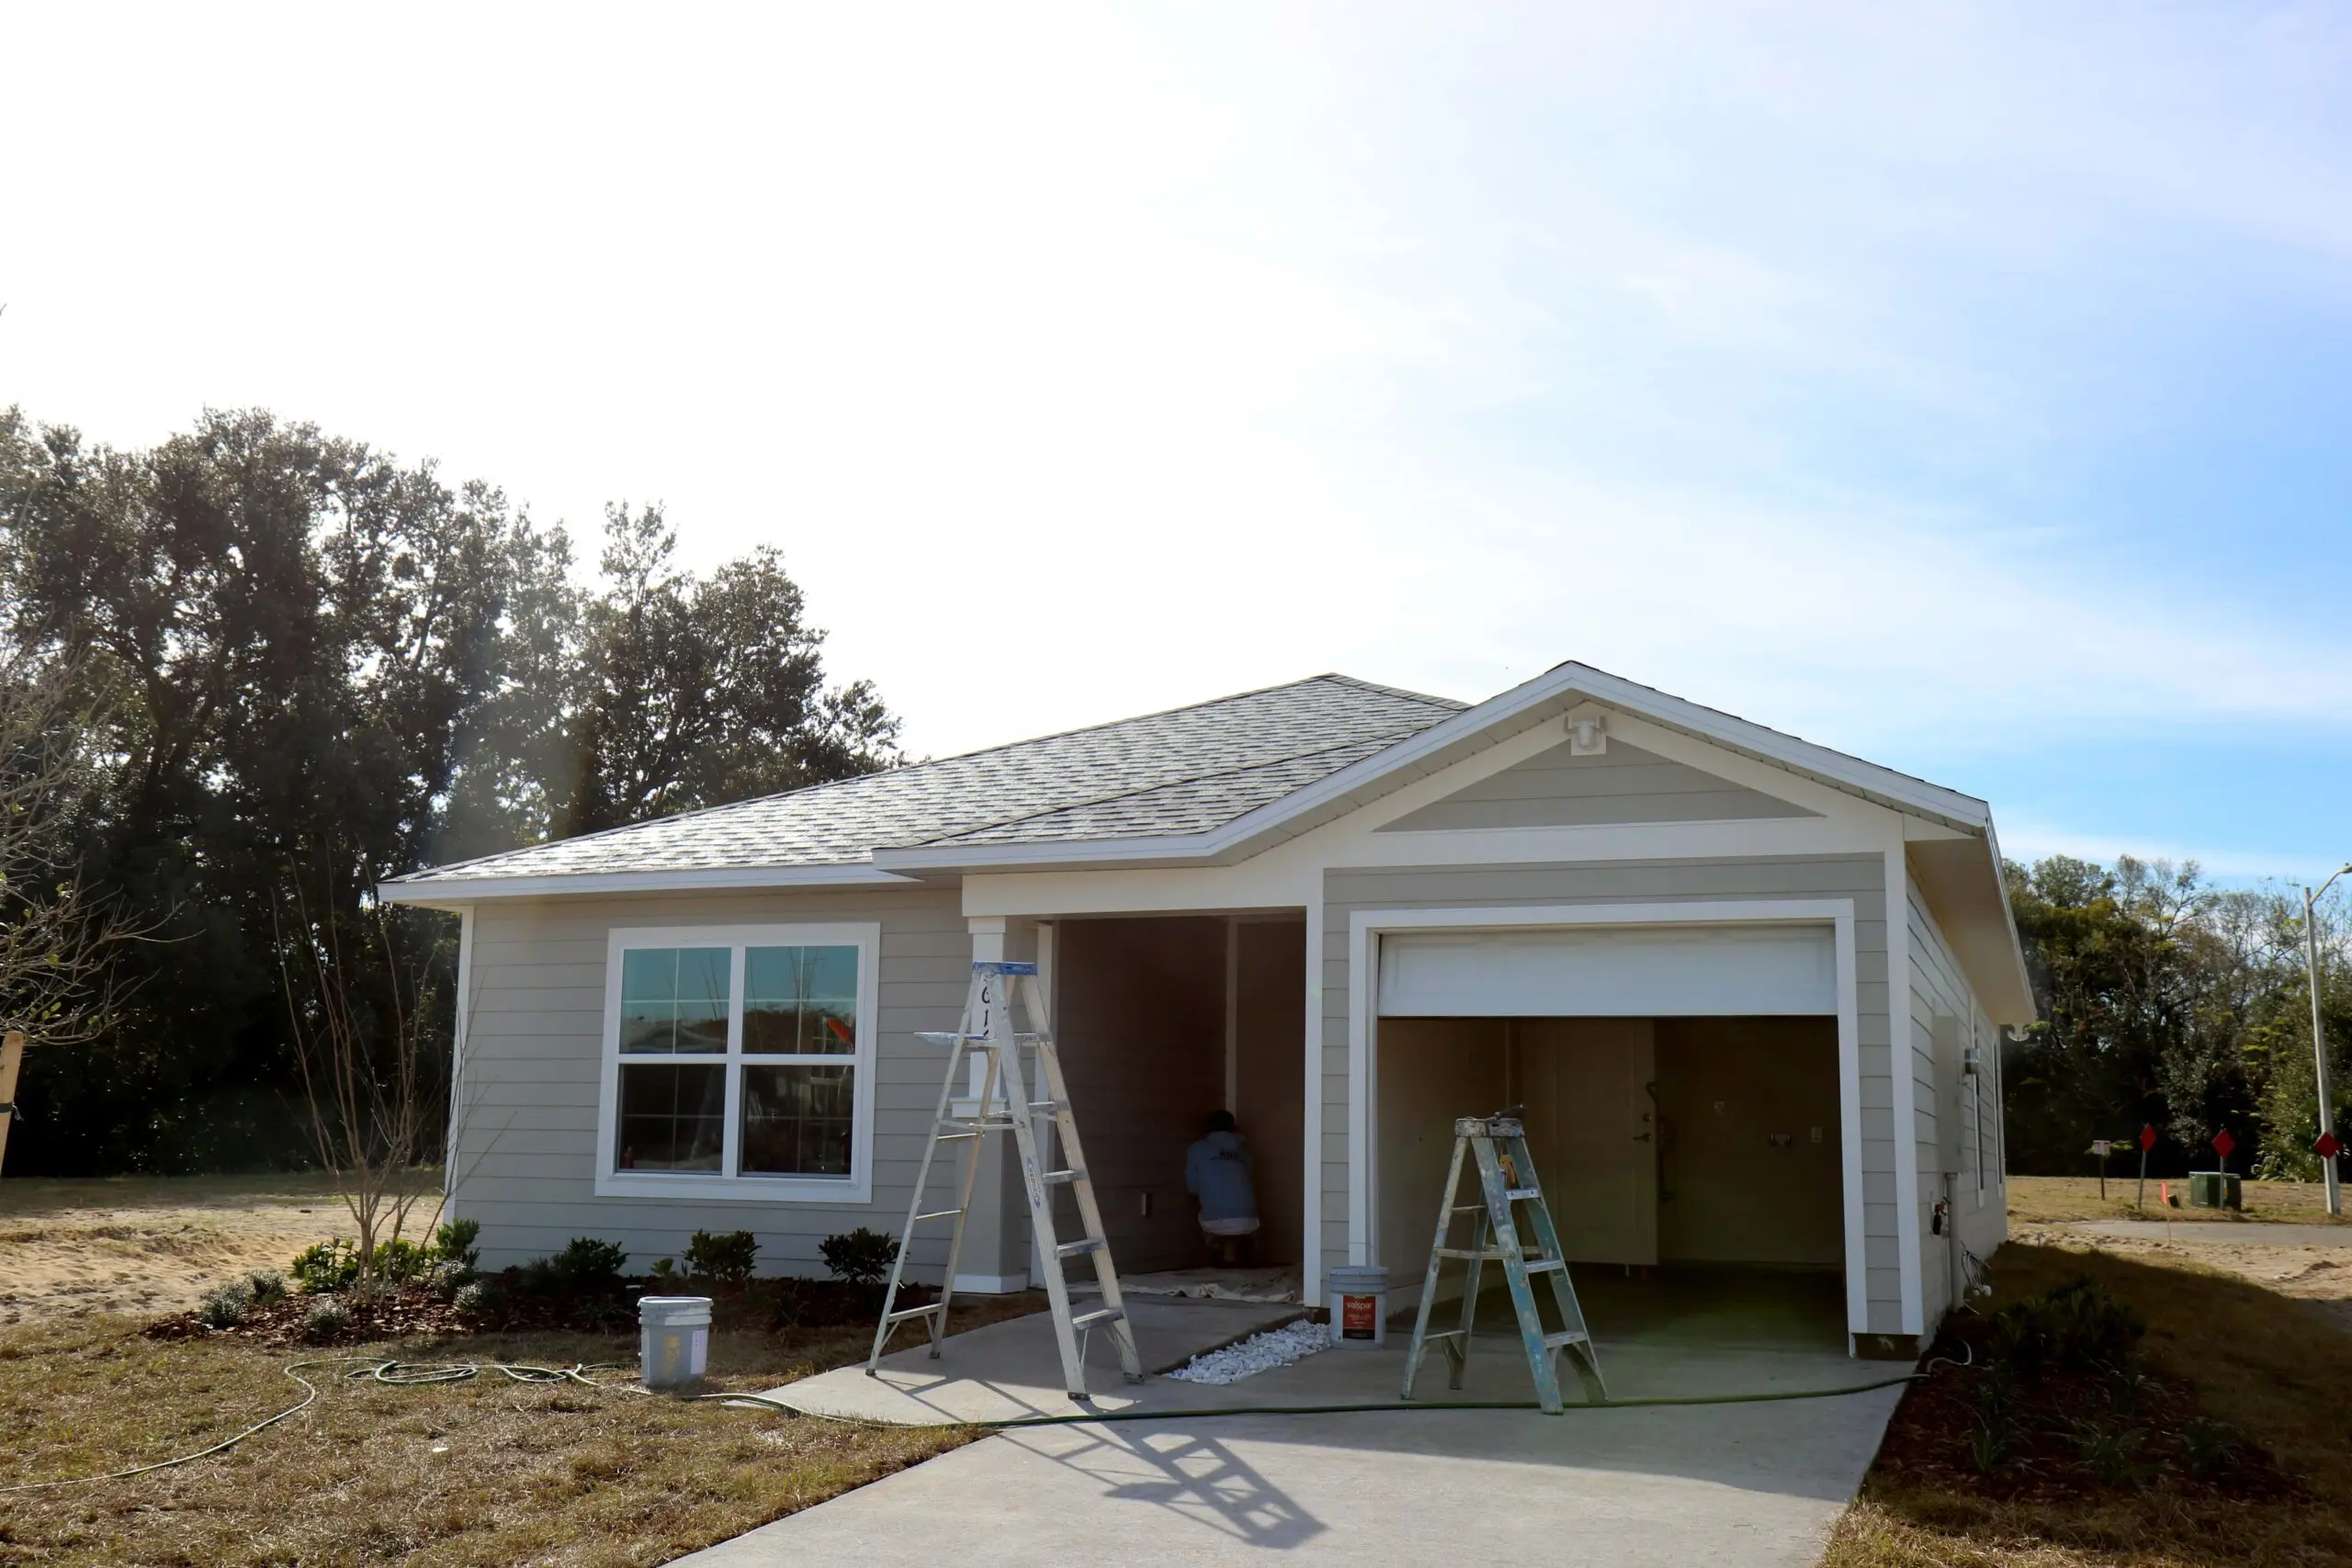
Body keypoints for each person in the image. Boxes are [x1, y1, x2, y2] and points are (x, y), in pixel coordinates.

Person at [1184, 1110, 1260, 1267]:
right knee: (1245, 1233)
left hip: (1214, 1220)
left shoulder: (1197, 1149)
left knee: (1211, 1222)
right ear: (1233, 1127)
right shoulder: (1244, 1150)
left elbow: (1192, 1188)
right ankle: (1247, 1258)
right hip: (1249, 1219)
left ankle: (1216, 1252)